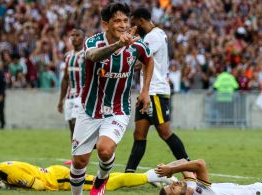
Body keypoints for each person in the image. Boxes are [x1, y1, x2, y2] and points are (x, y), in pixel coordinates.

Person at [70, 3, 154, 195]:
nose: (123, 25)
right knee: (79, 162)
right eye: (117, 21)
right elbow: (91, 56)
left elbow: (149, 60)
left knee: (105, 150)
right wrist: (118, 45)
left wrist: (145, 90)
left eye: (125, 20)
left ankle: (101, 180)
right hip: (90, 109)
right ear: (105, 24)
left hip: (119, 108)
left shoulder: (137, 45)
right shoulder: (93, 42)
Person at [125, 7, 189, 174]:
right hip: (147, 92)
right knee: (139, 134)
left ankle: (190, 167)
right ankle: (129, 172)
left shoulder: (153, 37)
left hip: (154, 91)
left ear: (140, 20)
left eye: (134, 23)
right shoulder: (157, 34)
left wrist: (131, 42)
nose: (133, 26)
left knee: (165, 133)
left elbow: (140, 61)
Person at [0, 161, 175, 191]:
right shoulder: (1, 168)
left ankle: (155, 175)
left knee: (106, 185)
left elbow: (38, 187)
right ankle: (155, 176)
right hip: (55, 173)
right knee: (105, 182)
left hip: (60, 178)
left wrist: (11, 188)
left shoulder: (8, 173)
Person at [156, 158, 262, 195]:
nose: (175, 184)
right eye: (173, 189)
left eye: (172, 184)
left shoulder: (190, 185)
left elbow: (182, 162)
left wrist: (168, 169)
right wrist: (171, 170)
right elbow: (200, 164)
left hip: (260, 186)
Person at [57, 28, 86, 140]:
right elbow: (65, 79)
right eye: (72, 35)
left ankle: (82, 153)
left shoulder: (86, 55)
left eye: (77, 35)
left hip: (82, 95)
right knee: (71, 127)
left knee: (75, 123)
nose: (74, 37)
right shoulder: (68, 56)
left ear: (83, 38)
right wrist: (61, 100)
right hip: (70, 96)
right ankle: (76, 155)